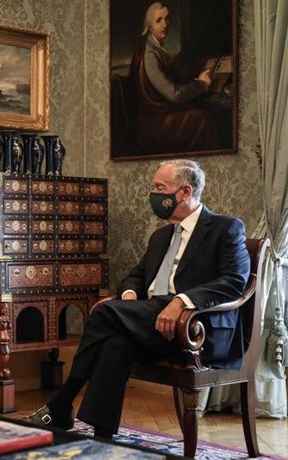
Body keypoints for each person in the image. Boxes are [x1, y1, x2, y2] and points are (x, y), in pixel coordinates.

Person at [24, 159, 250, 439]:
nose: (153, 194)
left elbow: (234, 282)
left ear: (184, 192)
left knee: (103, 313)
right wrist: (129, 296)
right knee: (115, 344)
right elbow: (136, 277)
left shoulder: (225, 229)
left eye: (160, 187)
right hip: (150, 322)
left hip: (196, 330)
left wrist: (181, 301)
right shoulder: (161, 236)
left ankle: (62, 403)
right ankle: (103, 437)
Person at [128, 2, 221, 153]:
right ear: (149, 25)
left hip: (158, 114)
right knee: (204, 119)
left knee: (200, 109)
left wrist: (195, 77)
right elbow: (174, 94)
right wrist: (201, 84)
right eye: (158, 20)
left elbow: (170, 78)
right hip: (153, 123)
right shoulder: (150, 54)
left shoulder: (155, 46)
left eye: (167, 19)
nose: (164, 24)